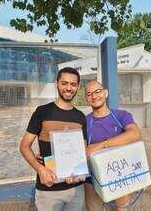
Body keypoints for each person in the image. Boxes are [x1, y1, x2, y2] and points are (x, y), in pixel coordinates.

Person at [20, 67, 87, 211]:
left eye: (73, 84)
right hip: (48, 189)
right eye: (64, 83)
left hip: (76, 188)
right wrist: (40, 169)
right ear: (57, 83)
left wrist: (80, 170)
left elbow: (83, 150)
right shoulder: (42, 112)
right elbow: (24, 146)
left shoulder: (80, 117)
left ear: (78, 87)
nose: (69, 88)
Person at [84, 80, 142, 211]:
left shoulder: (121, 115)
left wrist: (101, 145)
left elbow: (135, 134)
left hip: (119, 178)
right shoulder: (84, 121)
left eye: (97, 91)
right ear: (87, 99)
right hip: (92, 181)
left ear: (105, 93)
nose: (94, 96)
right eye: (89, 94)